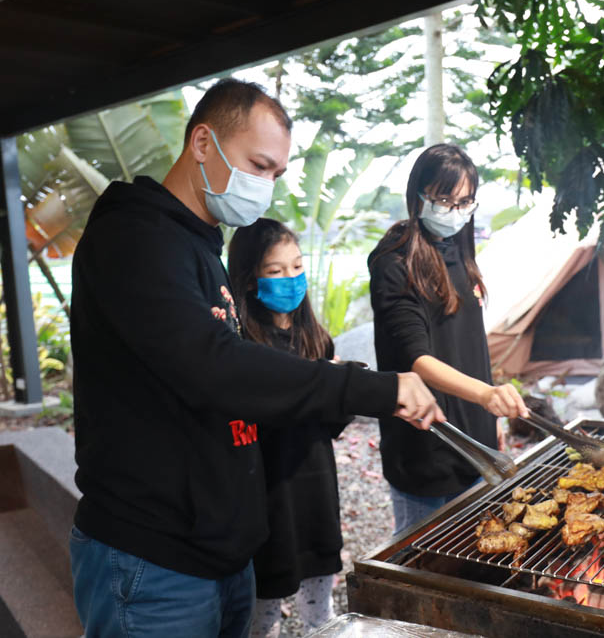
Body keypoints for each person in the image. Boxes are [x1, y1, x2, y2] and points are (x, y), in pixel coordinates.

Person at [68, 79, 444, 638]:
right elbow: (213, 366)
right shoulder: (133, 238)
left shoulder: (199, 244)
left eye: (276, 174)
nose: (265, 185)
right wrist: (377, 390)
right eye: (258, 165)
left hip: (220, 556)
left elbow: (242, 367)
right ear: (202, 143)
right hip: (153, 561)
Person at [368, 143, 529, 533]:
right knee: (420, 563)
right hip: (426, 444)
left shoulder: (458, 250)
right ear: (418, 196)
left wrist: (490, 422)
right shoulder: (394, 262)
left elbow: (469, 345)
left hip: (475, 446)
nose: (455, 212)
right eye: (444, 199)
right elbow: (416, 359)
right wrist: (487, 396)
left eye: (465, 202)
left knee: (474, 552)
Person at [227, 219, 343, 637]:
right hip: (268, 499)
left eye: (296, 268)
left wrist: (341, 389)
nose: (290, 280)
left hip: (316, 493)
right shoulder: (242, 349)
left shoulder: (317, 340)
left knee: (321, 613)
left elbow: (330, 426)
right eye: (275, 272)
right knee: (264, 614)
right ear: (248, 278)